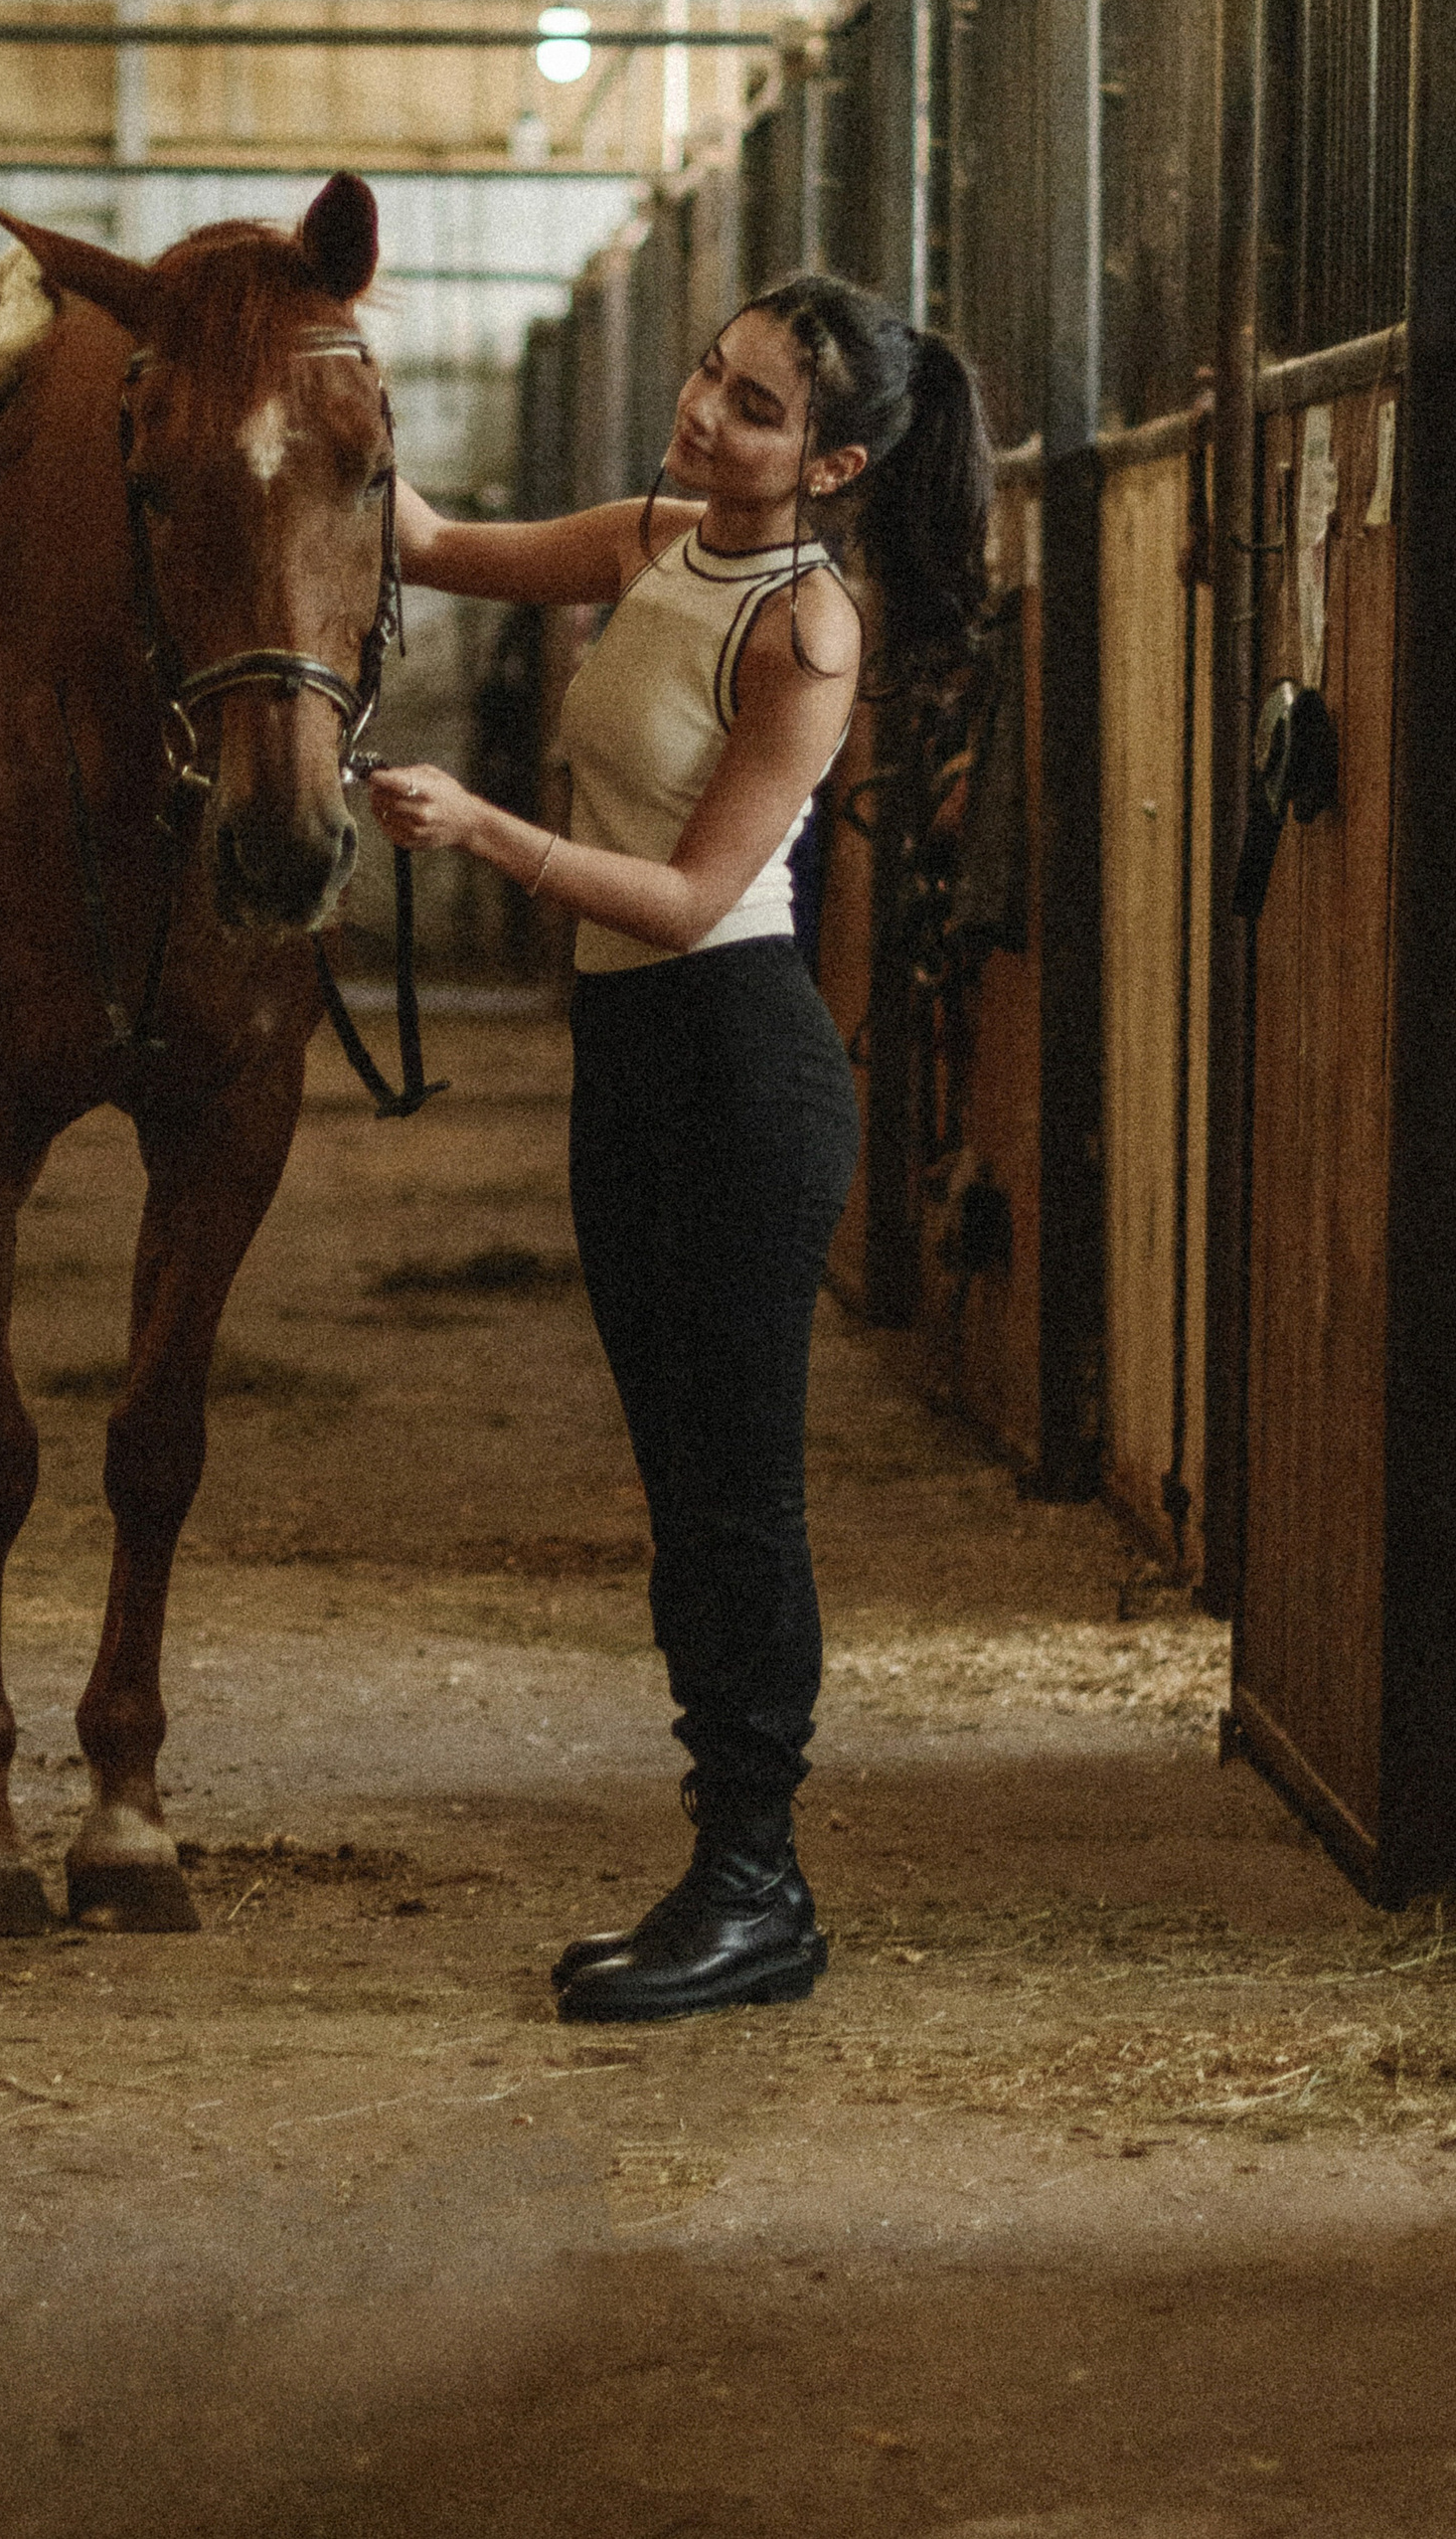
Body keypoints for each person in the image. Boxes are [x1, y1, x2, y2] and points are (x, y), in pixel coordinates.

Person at [367, 275, 992, 2024]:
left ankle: (757, 1883)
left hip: (734, 1063)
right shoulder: (656, 536)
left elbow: (698, 893)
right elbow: (433, 544)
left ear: (835, 465)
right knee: (680, 1489)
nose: (706, 411)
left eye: (757, 408)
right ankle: (724, 1870)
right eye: (714, 373)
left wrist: (481, 830)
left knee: (737, 1496)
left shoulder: (808, 630)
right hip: (632, 1062)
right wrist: (336, 356)